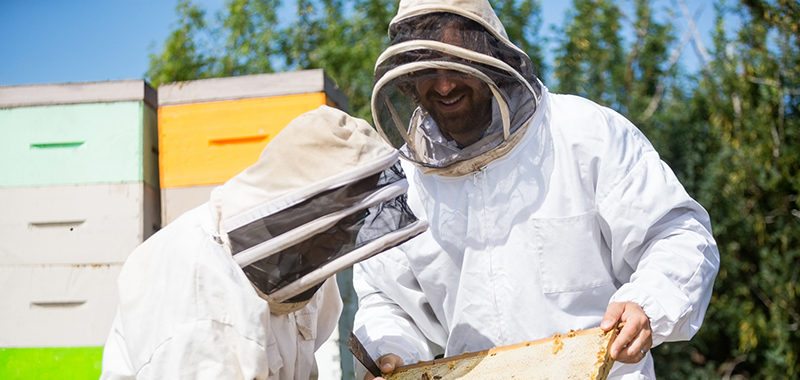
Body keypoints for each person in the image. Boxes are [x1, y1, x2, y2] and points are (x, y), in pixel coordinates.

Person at [352, 0, 720, 379]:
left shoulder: (585, 133)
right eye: (428, 68)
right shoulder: (402, 184)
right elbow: (385, 297)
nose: (444, 84)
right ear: (407, 79)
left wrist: (647, 302)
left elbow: (677, 234)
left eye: (456, 63)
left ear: (489, 57)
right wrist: (389, 352)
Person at [99, 106, 428, 380]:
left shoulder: (304, 261)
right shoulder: (203, 305)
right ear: (299, 210)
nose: (345, 237)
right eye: (338, 224)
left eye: (354, 221)